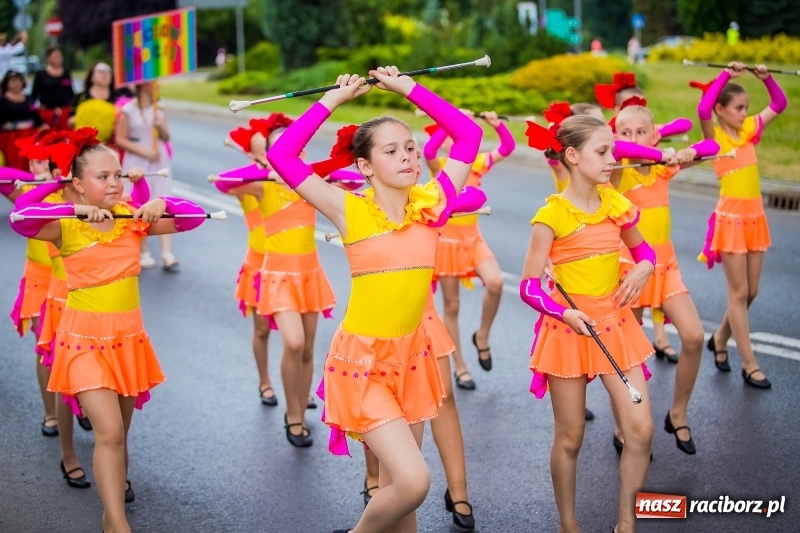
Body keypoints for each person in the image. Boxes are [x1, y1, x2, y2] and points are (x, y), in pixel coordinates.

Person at [266, 66, 481, 533]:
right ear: (365, 165)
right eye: (391, 150)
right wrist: (332, 102)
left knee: (399, 499)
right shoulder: (347, 209)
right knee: (416, 481)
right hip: (362, 365)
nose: (408, 156)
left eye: (410, 147)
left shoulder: (431, 205)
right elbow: (282, 154)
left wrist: (409, 89)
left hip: (412, 361)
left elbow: (468, 135)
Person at [8, 127, 210, 533]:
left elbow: (193, 217)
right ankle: (117, 524)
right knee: (110, 431)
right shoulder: (65, 227)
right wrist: (72, 208)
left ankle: (110, 509)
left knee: (119, 437)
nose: (116, 183)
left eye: (118, 175)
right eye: (104, 177)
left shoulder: (132, 223)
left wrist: (160, 201)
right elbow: (20, 216)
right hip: (82, 342)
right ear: (78, 185)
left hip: (127, 343)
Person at [521, 115, 655, 533]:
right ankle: (568, 525)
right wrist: (564, 313)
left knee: (641, 429)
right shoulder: (552, 215)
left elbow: (645, 249)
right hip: (569, 332)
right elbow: (527, 287)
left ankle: (626, 523)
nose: (613, 159)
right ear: (573, 156)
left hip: (615, 327)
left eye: (612, 151)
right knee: (571, 437)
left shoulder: (616, 204)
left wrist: (644, 267)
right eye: (603, 152)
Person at [611, 103, 719, 455]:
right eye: (625, 131)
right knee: (629, 357)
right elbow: (619, 149)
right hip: (629, 273)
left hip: (665, 268)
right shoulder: (616, 173)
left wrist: (686, 152)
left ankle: (678, 412)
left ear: (655, 134)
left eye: (641, 131)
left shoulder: (662, 171)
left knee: (694, 335)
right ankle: (624, 423)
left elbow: (712, 147)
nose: (632, 138)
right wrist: (658, 151)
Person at [697, 62, 787, 389]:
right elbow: (702, 107)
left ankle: (720, 338)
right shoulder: (715, 138)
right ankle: (749, 363)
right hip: (731, 221)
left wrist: (767, 77)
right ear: (721, 110)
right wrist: (726, 76)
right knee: (738, 292)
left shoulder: (749, 130)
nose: (744, 112)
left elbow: (779, 104)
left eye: (746, 108)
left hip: (755, 219)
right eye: (738, 108)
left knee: (752, 291)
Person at [423, 110, 514, 390]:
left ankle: (482, 337)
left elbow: (507, 147)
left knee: (496, 282)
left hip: (473, 240)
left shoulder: (478, 163)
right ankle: (459, 365)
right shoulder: (441, 168)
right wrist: (446, 120)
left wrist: (495, 123)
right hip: (446, 245)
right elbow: (428, 149)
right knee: (452, 306)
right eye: (453, 137)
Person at [115, 80, 176, 270]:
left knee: (162, 200)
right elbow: (120, 139)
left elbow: (167, 137)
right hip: (137, 161)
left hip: (159, 161)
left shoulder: (160, 108)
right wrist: (144, 152)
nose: (155, 86)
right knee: (138, 204)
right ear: (142, 86)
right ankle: (144, 251)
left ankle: (167, 252)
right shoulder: (128, 110)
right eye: (151, 83)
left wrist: (161, 126)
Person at [72, 61, 132, 147]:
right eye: (100, 71)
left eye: (108, 72)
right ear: (92, 77)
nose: (104, 74)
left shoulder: (119, 98)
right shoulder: (80, 97)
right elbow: (69, 121)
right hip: (85, 143)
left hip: (112, 145)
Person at [0, 70, 44, 170]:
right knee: (15, 165)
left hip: (30, 137)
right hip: (11, 140)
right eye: (13, 80)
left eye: (19, 80)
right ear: (6, 83)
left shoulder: (29, 99)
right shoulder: (2, 102)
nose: (16, 83)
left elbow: (37, 118)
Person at [31, 46, 74, 131]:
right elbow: (34, 95)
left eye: (60, 56)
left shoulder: (66, 73)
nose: (59, 59)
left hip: (64, 113)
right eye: (55, 56)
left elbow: (71, 93)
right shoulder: (41, 75)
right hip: (47, 113)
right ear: (48, 58)